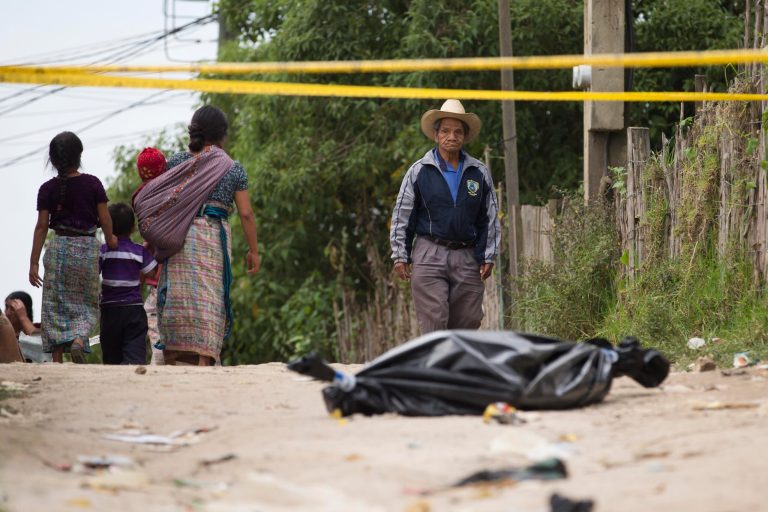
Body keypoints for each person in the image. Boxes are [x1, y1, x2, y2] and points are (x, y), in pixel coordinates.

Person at [136, 105, 260, 366]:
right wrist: (254, 251)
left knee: (179, 295)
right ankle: (205, 359)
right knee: (209, 298)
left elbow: (158, 200)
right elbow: (247, 214)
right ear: (222, 135)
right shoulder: (232, 168)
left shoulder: (175, 162)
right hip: (213, 237)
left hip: (178, 236)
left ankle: (173, 353)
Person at [389, 99, 501, 334]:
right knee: (434, 321)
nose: (452, 136)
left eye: (458, 132)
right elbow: (403, 214)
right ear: (436, 135)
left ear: (465, 136)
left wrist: (488, 255)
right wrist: (400, 254)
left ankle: (455, 367)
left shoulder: (478, 172)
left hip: (467, 255)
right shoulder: (419, 171)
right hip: (430, 252)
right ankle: (436, 367)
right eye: (446, 131)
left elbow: (489, 217)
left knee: (468, 321)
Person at [29, 131, 118, 363]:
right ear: (79, 156)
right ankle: (79, 339)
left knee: (55, 305)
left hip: (58, 249)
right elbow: (105, 218)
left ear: (53, 159)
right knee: (86, 301)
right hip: (87, 249)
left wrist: (33, 263)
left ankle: (57, 358)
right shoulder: (93, 184)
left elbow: (41, 227)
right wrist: (111, 239)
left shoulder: (47, 189)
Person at [99, 203, 157, 365]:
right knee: (135, 349)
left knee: (111, 354)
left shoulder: (103, 251)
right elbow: (151, 272)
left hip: (109, 310)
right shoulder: (139, 251)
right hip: (133, 309)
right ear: (133, 228)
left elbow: (93, 271)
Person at [132, 147, 167, 365]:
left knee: (153, 317)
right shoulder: (175, 190)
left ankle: (159, 359)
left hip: (156, 273)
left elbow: (150, 233)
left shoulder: (139, 198)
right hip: (175, 267)